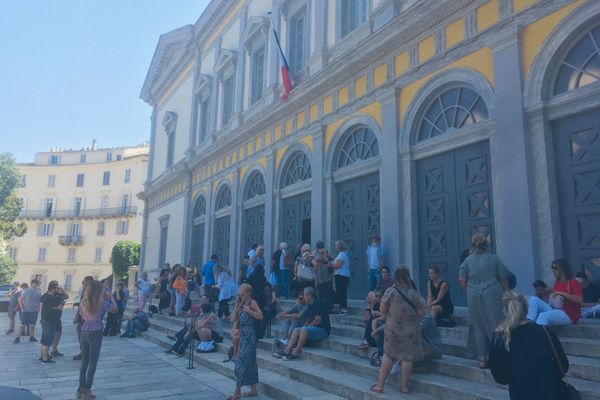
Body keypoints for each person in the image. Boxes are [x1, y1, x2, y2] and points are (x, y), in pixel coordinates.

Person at [490, 291, 570, 400]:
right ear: (527, 309)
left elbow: (499, 376)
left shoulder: (499, 338)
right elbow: (563, 365)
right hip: (551, 392)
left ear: (505, 312)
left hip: (520, 393)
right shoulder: (545, 332)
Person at [370, 267, 426, 394]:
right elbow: (422, 313)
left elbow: (382, 310)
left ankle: (380, 385)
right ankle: (404, 387)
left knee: (389, 355)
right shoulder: (414, 293)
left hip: (393, 329)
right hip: (411, 331)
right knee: (407, 358)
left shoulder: (390, 291)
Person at [458, 233, 509, 369]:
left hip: (473, 294)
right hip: (492, 292)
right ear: (486, 245)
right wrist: (507, 293)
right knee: (496, 324)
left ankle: (482, 358)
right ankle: (496, 355)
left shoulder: (468, 260)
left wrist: (467, 289)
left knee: (478, 325)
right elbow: (503, 278)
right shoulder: (494, 258)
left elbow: (461, 278)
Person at [77, 280, 118, 400]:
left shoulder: (83, 302)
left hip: (84, 331)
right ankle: (88, 388)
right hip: (96, 332)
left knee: (84, 360)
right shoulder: (101, 302)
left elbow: (82, 316)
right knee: (93, 362)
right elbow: (115, 310)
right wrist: (111, 298)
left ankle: (81, 386)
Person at [228, 283, 263, 400]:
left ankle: (237, 392)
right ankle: (254, 390)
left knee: (240, 362)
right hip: (243, 336)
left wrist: (248, 310)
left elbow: (260, 316)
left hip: (250, 336)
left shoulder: (252, 303)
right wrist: (237, 305)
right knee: (251, 363)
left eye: (241, 294)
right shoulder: (241, 303)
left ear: (247, 293)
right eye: (239, 294)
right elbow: (233, 319)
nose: (240, 296)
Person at [276, 287, 330, 360]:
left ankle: (296, 352)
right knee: (296, 330)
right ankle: (287, 350)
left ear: (309, 296)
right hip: (314, 328)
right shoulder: (310, 304)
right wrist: (304, 327)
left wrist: (307, 328)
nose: (303, 297)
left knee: (304, 330)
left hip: (323, 330)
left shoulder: (318, 303)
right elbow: (308, 318)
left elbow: (318, 320)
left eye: (304, 295)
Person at [527, 259, 582, 326]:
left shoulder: (573, 282)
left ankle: (538, 335)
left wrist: (562, 293)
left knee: (543, 316)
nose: (553, 270)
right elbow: (553, 302)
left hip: (569, 315)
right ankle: (529, 323)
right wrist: (541, 292)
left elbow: (579, 299)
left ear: (562, 269)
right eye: (552, 268)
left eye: (555, 268)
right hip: (556, 309)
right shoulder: (557, 283)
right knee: (533, 299)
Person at [39, 281, 63, 364]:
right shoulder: (50, 297)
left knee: (44, 340)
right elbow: (59, 307)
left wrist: (55, 308)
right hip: (49, 321)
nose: (58, 289)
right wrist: (57, 307)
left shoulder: (47, 296)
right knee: (47, 340)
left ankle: (42, 357)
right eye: (57, 288)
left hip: (46, 320)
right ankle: (45, 359)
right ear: (53, 288)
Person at [73, 276, 94, 361]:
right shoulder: (86, 291)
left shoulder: (89, 292)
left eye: (84, 281)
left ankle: (84, 353)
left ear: (88, 282)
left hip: (85, 318)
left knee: (82, 336)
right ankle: (85, 352)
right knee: (82, 336)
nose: (82, 283)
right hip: (83, 317)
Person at [14, 279, 42, 344]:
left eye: (37, 283)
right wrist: (22, 308)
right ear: (32, 284)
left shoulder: (38, 292)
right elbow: (20, 299)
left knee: (32, 325)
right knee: (22, 325)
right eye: (35, 283)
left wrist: (38, 308)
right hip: (26, 311)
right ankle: (17, 338)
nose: (36, 285)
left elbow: (39, 301)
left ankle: (31, 337)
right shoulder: (26, 291)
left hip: (34, 311)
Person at [312, 241, 334, 311]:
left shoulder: (315, 253)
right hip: (328, 276)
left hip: (319, 276)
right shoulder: (327, 252)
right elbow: (331, 260)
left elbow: (314, 262)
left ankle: (321, 308)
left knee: (320, 293)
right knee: (329, 292)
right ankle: (329, 307)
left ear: (317, 246)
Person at [50, 281, 68, 357]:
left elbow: (66, 297)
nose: (58, 287)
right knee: (49, 335)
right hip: (50, 318)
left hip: (57, 317)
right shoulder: (48, 295)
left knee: (58, 334)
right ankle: (46, 351)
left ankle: (54, 350)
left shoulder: (59, 294)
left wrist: (63, 290)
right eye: (56, 286)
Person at [332, 240, 351, 315]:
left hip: (341, 275)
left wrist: (331, 265)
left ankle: (344, 309)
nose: (335, 247)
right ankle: (342, 309)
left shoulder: (342, 254)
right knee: (342, 292)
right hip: (344, 275)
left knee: (341, 293)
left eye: (336, 246)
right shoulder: (345, 253)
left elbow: (338, 265)